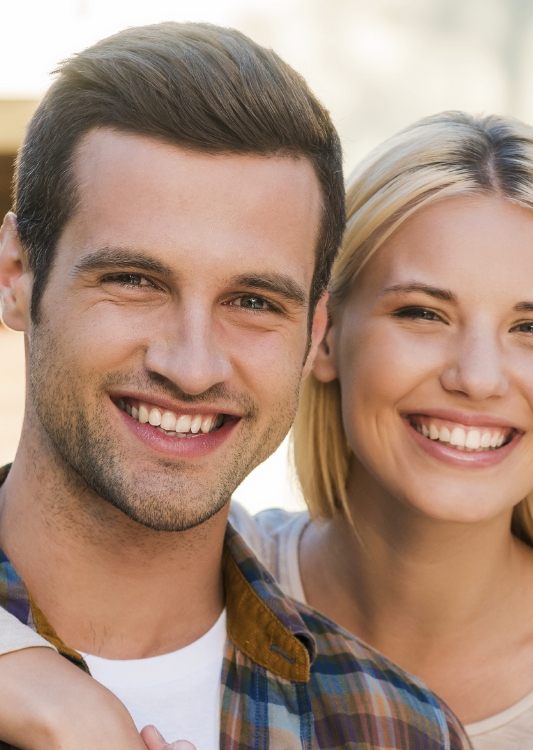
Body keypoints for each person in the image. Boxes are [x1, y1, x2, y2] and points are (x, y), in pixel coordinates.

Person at [0, 111, 533, 747]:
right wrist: (34, 680)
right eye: (422, 314)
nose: (477, 377)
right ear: (323, 336)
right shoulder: (220, 564)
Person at [0, 23, 467, 750]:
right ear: (16, 277)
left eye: (253, 301)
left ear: (315, 332)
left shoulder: (398, 731)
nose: (191, 366)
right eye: (133, 280)